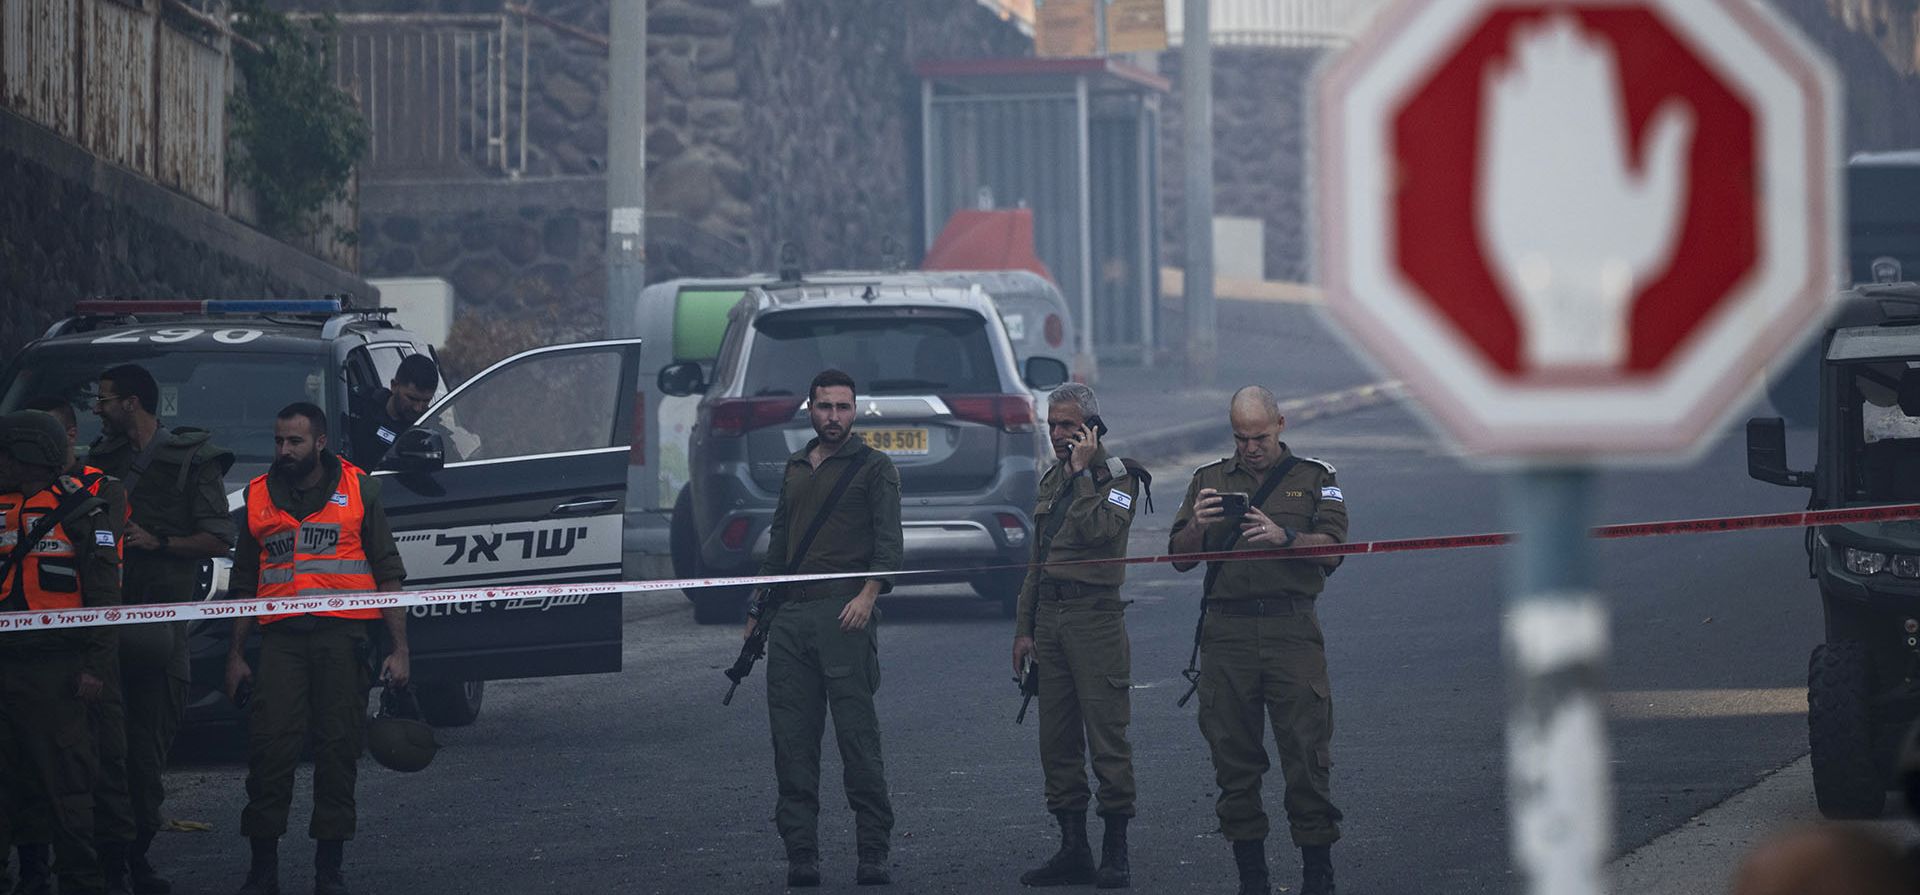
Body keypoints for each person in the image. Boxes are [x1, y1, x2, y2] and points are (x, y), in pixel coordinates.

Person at [1168, 386, 1349, 895]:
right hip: (1226, 635)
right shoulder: (1209, 480)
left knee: (1306, 758)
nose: (1250, 447)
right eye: (1241, 438)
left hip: (1291, 630)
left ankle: (1318, 874)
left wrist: (1285, 538)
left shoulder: (1317, 478)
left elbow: (1335, 549)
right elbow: (1179, 557)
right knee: (1234, 762)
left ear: (1281, 425)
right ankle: (1253, 878)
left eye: (1260, 436)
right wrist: (1199, 529)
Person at [223, 403, 409, 895]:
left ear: (320, 443)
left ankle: (330, 870)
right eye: (279, 441)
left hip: (342, 641)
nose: (284, 450)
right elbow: (244, 583)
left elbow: (388, 571)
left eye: (295, 442)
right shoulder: (257, 497)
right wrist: (236, 656)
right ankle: (263, 870)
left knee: (338, 750)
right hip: (280, 642)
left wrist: (399, 649)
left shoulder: (360, 488)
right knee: (269, 753)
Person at [750, 369, 902, 888]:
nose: (833, 416)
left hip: (845, 615)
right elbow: (778, 542)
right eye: (824, 407)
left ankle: (873, 850)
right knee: (792, 743)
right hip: (791, 619)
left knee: (858, 741)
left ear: (856, 410)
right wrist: (759, 608)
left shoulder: (874, 467)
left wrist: (867, 595)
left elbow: (889, 545)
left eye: (842, 407)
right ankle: (802, 854)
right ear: (809, 409)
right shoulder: (795, 466)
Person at [88, 363, 234, 894]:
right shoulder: (99, 461)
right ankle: (104, 863)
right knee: (102, 752)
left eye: (104, 400)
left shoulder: (193, 460)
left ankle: (137, 856)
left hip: (160, 624)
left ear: (132, 402)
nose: (96, 409)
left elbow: (219, 538)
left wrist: (158, 542)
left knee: (147, 754)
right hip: (101, 624)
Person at [1010, 383, 1143, 889]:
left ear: (1091, 426)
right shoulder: (1052, 481)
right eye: (1053, 425)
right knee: (1057, 742)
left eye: (1069, 425)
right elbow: (1037, 563)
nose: (1060, 434)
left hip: (1095, 619)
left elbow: (1098, 533)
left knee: (1107, 738)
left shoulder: (1116, 477)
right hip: (1051, 618)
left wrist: (1084, 472)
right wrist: (1024, 630)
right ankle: (1073, 848)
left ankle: (1116, 851)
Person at [10, 398, 133, 895]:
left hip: (63, 668)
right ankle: (31, 872)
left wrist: (95, 668)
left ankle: (92, 875)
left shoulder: (89, 505)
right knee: (15, 778)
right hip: (8, 666)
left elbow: (106, 598)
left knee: (77, 779)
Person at [346, 355, 438, 468]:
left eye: (425, 401)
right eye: (412, 398)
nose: (417, 408)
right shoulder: (358, 405)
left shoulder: (429, 429)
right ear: (394, 386)